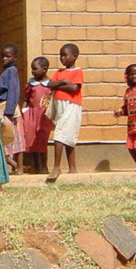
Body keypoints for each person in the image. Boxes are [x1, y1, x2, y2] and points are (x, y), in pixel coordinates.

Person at [47, 43, 83, 183]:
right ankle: (72, 168)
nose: (62, 58)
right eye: (60, 55)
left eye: (65, 55)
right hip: (60, 107)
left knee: (61, 134)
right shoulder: (59, 73)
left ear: (74, 56)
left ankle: (56, 167)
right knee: (67, 135)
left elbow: (74, 88)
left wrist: (58, 85)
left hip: (71, 106)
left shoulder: (77, 72)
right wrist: (62, 82)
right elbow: (49, 84)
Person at [21, 57, 53, 175]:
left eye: (35, 69)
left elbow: (52, 99)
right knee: (31, 140)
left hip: (44, 116)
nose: (33, 71)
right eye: (32, 69)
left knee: (42, 141)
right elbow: (26, 98)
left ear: (44, 69)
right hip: (31, 115)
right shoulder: (31, 84)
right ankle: (35, 166)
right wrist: (23, 111)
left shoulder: (50, 84)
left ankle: (44, 166)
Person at [0, 44, 24, 174]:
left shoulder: (11, 72)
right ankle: (16, 166)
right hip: (3, 107)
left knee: (14, 139)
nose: (4, 59)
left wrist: (9, 112)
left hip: (8, 109)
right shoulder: (7, 71)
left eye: (8, 56)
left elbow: (13, 91)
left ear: (15, 57)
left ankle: (19, 167)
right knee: (8, 139)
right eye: (2, 56)